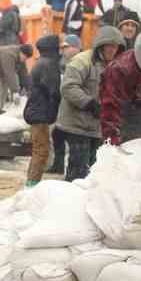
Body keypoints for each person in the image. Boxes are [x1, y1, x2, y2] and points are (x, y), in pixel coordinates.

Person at [56, 27, 125, 181]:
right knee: (78, 171)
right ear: (101, 44)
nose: (113, 49)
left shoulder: (115, 66)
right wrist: (89, 103)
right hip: (77, 125)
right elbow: (68, 87)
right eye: (109, 45)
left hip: (97, 128)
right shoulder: (82, 61)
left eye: (116, 46)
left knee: (95, 171)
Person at [24, 35, 62, 187]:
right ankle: (32, 184)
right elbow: (53, 90)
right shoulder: (49, 64)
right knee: (41, 151)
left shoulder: (41, 62)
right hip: (41, 113)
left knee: (39, 149)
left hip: (36, 111)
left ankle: (32, 181)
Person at [47, 33, 83, 175]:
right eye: (64, 47)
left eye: (68, 47)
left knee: (73, 139)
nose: (64, 49)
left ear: (76, 48)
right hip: (61, 104)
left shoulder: (82, 62)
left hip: (75, 106)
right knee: (58, 135)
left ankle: (73, 170)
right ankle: (58, 164)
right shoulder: (62, 62)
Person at [0, 43, 33, 113]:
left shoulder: (21, 59)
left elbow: (24, 75)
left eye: (27, 58)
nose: (25, 59)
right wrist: (15, 91)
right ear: (21, 52)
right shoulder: (9, 54)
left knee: (5, 84)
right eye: (25, 57)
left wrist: (30, 90)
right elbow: (9, 73)